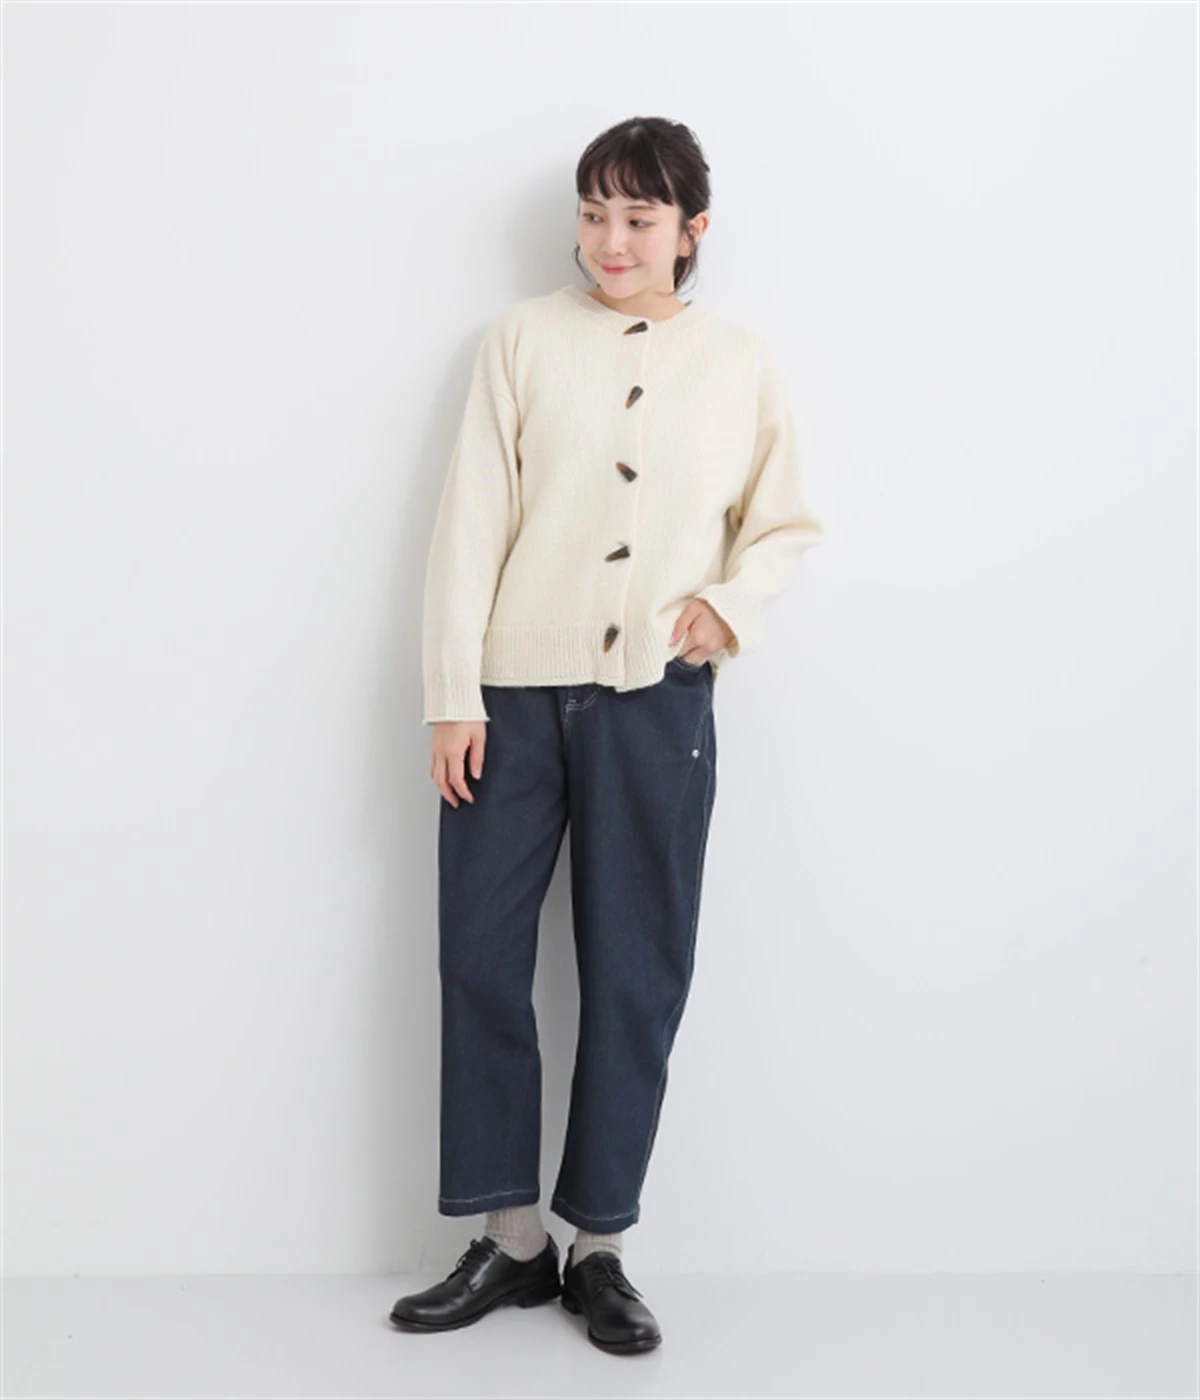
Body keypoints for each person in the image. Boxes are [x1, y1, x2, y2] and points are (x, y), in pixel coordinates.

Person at [390, 116, 825, 1354]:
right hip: (511, 698)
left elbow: (786, 522)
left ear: (692, 230)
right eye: (594, 213)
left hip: (657, 702)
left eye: (639, 217)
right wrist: (453, 693)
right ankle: (510, 1238)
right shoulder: (521, 340)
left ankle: (598, 1247)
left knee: (636, 972)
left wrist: (725, 608)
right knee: (480, 956)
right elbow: (472, 519)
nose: (611, 240)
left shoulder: (738, 363)